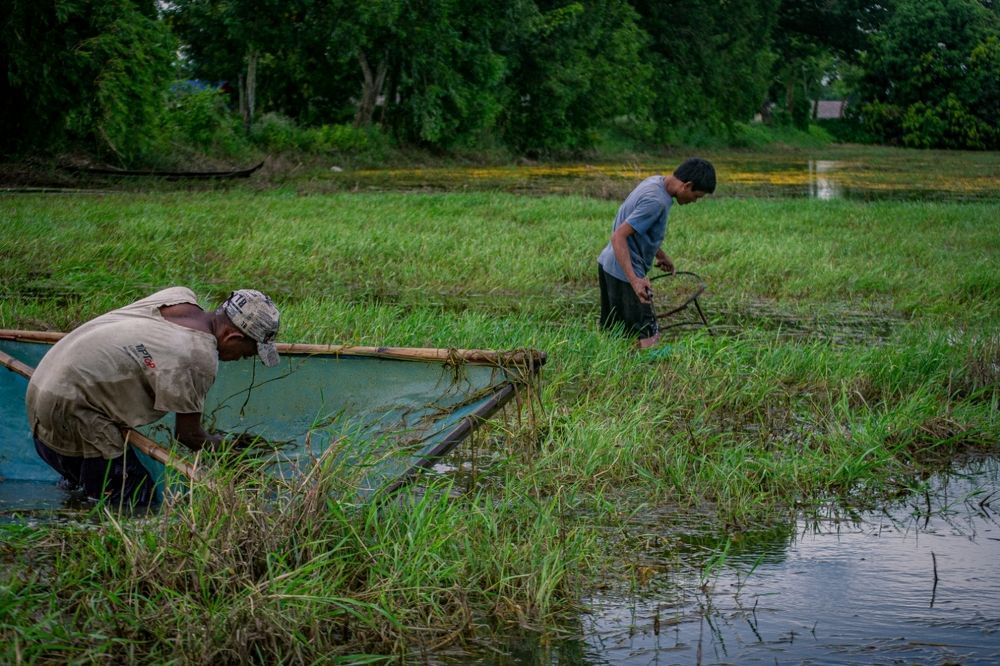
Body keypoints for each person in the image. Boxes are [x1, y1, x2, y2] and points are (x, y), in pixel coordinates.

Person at [25, 287, 281, 506]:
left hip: (40, 389)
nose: (243, 359)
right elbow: (189, 435)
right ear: (232, 336)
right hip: (71, 412)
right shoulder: (197, 357)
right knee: (133, 499)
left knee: (83, 489)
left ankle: (76, 499)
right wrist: (234, 454)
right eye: (247, 353)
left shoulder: (177, 297)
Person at [596, 157, 716, 348]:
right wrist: (635, 280)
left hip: (608, 264)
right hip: (625, 271)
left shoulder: (655, 182)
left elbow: (638, 229)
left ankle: (617, 372)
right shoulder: (657, 202)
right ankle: (649, 373)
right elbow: (618, 237)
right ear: (687, 185)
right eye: (697, 196)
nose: (695, 201)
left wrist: (659, 254)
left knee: (614, 334)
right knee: (648, 337)